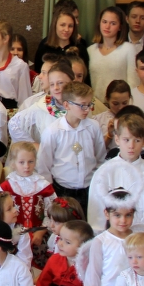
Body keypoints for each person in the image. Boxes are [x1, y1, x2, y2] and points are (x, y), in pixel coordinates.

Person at [36, 81, 106, 209]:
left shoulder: (94, 127)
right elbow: (44, 165)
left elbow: (100, 157)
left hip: (89, 188)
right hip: (63, 189)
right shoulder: (53, 131)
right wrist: (50, 194)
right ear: (67, 105)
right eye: (82, 105)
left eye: (89, 104)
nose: (87, 109)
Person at [86, 113, 144, 231]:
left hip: (140, 236)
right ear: (117, 139)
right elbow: (96, 211)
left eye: (137, 140)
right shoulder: (104, 172)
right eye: (126, 140)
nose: (131, 146)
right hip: (111, 234)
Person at [81, 188, 136, 286]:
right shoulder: (100, 241)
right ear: (107, 214)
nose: (123, 220)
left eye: (128, 215)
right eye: (117, 215)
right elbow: (94, 274)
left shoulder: (137, 239)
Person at [8, 61, 75, 144]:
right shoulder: (43, 106)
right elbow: (14, 124)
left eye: (60, 83)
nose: (56, 88)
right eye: (52, 84)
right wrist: (35, 147)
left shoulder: (81, 104)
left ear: (72, 83)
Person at [1, 141, 57, 238]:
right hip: (13, 236)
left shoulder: (44, 185)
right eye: (21, 162)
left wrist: (41, 231)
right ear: (13, 163)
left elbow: (52, 211)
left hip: (39, 235)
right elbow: (0, 213)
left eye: (30, 161)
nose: (27, 166)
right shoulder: (6, 187)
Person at [87, 6, 139, 97]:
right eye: (104, 22)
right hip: (95, 103)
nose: (107, 26)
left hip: (120, 103)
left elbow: (134, 84)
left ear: (120, 27)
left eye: (113, 23)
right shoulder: (91, 50)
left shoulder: (128, 49)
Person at [32, 4, 90, 74]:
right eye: (62, 25)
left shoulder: (80, 47)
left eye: (70, 26)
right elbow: (38, 73)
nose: (66, 29)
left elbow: (86, 76)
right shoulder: (44, 46)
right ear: (55, 25)